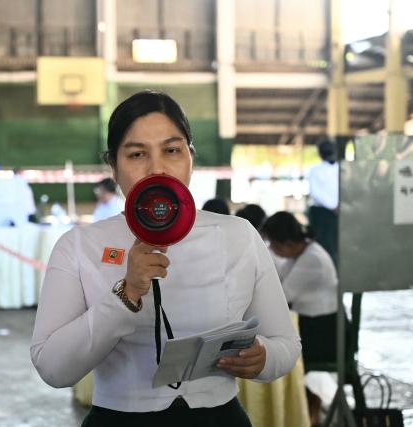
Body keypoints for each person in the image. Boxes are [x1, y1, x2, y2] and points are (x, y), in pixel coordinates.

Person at [30, 90, 300, 426]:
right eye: (137, 154)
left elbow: (286, 345)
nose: (157, 167)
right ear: (113, 166)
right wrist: (125, 295)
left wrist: (263, 359)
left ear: (191, 157)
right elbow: (53, 368)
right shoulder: (79, 245)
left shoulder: (239, 235)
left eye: (172, 150)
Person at [261, 211, 339, 426]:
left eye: (272, 244)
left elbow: (282, 295)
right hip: (313, 326)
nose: (271, 250)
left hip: (324, 333)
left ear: (284, 242)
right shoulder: (302, 254)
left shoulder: (312, 259)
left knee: (276, 350)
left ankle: (293, 414)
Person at [308, 140, 339, 266]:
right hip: (333, 212)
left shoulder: (315, 170)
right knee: (330, 244)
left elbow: (314, 193)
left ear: (320, 154)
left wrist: (332, 206)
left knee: (325, 245)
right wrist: (335, 206)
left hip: (324, 212)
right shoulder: (340, 169)